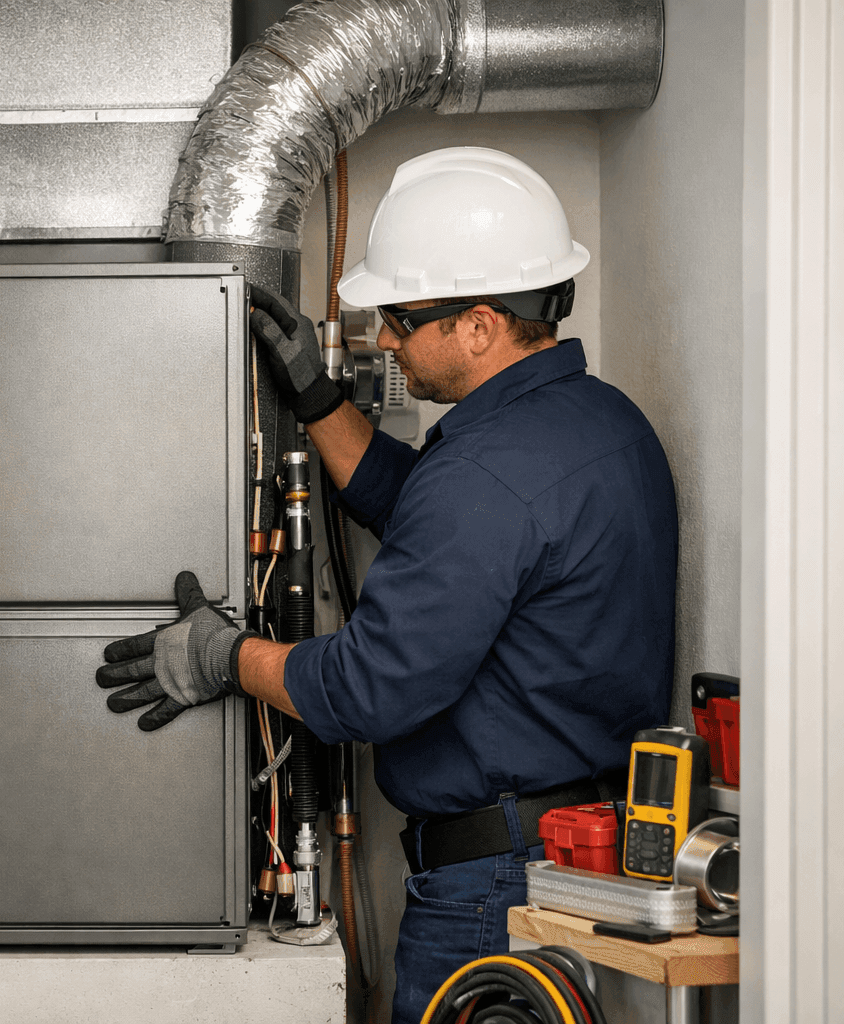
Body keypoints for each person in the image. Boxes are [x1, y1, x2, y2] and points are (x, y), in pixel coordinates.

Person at [96, 147, 676, 1022]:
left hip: (492, 889)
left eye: (402, 319)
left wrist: (225, 656)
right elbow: (432, 522)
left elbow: (367, 689)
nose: (387, 340)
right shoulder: (600, 423)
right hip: (569, 859)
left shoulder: (487, 474)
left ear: (479, 324)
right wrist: (321, 399)